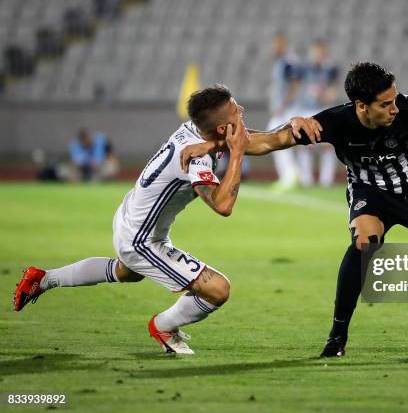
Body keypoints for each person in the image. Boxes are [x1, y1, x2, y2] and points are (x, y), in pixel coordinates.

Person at [180, 63, 408, 358]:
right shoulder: (335, 122)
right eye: (385, 104)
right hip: (372, 194)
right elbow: (270, 141)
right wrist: (212, 144)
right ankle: (337, 336)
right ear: (361, 106)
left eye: (394, 100)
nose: (394, 108)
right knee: (364, 243)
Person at [14, 85, 320, 355]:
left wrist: (298, 128)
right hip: (141, 239)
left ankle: (43, 278)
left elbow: (265, 141)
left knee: (127, 272)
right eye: (234, 110)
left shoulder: (199, 132)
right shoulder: (195, 160)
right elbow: (224, 205)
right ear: (222, 129)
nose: (241, 110)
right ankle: (163, 326)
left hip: (131, 217)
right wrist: (236, 155)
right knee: (217, 290)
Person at [294, 39, 340, 187]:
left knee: (328, 145)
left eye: (320, 52)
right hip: (307, 109)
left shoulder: (331, 69)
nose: (318, 55)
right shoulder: (304, 68)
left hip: (324, 109)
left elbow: (334, 90)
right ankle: (306, 180)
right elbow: (297, 87)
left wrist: (325, 95)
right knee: (305, 145)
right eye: (315, 52)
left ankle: (326, 181)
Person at [267, 33, 301, 191]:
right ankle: (292, 175)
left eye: (276, 43)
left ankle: (289, 176)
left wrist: (284, 105)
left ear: (283, 44)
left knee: (274, 137)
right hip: (285, 108)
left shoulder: (289, 62)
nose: (273, 47)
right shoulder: (281, 62)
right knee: (277, 138)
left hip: (288, 109)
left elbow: (295, 85)